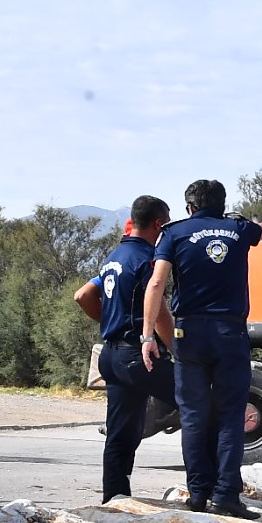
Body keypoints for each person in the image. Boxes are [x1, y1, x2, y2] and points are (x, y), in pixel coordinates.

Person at [142, 180, 262, 517]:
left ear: (189, 207)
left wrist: (148, 336)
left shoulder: (174, 234)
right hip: (230, 333)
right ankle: (225, 497)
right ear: (222, 204)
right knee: (231, 415)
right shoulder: (238, 230)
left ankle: (197, 494)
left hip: (189, 333)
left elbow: (157, 283)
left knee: (193, 415)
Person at [73, 195, 177, 503]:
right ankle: (209, 489)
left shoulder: (114, 257)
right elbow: (157, 310)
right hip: (137, 355)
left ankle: (115, 499)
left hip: (112, 355)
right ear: (158, 224)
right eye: (167, 224)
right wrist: (177, 350)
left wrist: (110, 320)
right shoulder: (149, 259)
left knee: (122, 432)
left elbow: (82, 295)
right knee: (201, 403)